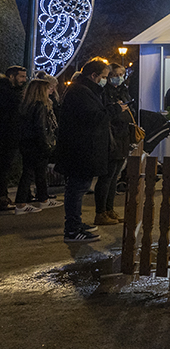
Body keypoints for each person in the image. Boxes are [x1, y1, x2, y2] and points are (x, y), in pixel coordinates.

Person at [57, 59, 112, 242]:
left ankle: (76, 223)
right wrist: (112, 111)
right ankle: (72, 229)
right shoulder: (81, 92)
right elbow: (92, 117)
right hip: (80, 150)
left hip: (82, 148)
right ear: (93, 75)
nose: (106, 80)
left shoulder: (85, 90)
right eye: (104, 76)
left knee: (78, 188)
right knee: (76, 189)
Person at [93, 62, 133, 226]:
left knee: (114, 176)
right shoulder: (104, 93)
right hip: (111, 136)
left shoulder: (123, 91)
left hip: (123, 135)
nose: (119, 78)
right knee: (107, 177)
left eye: (122, 74)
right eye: (115, 75)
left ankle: (109, 209)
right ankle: (101, 212)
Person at [16, 78, 59, 211]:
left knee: (37, 172)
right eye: (47, 89)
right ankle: (21, 203)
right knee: (31, 173)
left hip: (28, 143)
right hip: (37, 144)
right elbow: (41, 128)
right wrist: (46, 145)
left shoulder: (27, 105)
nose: (50, 91)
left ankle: (43, 198)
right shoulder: (40, 106)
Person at [1, 65, 29, 213]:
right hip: (6, 137)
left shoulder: (13, 93)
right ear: (11, 77)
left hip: (10, 136)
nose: (24, 80)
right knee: (3, 169)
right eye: (21, 77)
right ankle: (2, 198)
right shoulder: (7, 94)